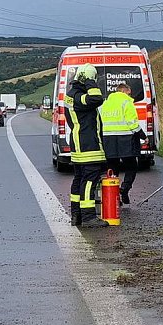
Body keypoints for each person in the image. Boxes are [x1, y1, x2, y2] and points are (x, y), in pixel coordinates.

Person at [65, 63, 107, 228]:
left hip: (78, 144)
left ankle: (76, 215)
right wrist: (90, 82)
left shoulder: (71, 94)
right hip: (88, 145)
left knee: (79, 180)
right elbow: (97, 99)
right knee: (90, 180)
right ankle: (89, 217)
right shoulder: (79, 96)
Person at [100, 82, 146, 208]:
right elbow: (132, 123)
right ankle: (124, 188)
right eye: (129, 92)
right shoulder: (127, 102)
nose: (130, 94)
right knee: (131, 166)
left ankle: (114, 197)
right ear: (126, 91)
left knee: (112, 169)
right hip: (125, 138)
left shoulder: (105, 103)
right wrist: (143, 136)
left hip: (108, 139)